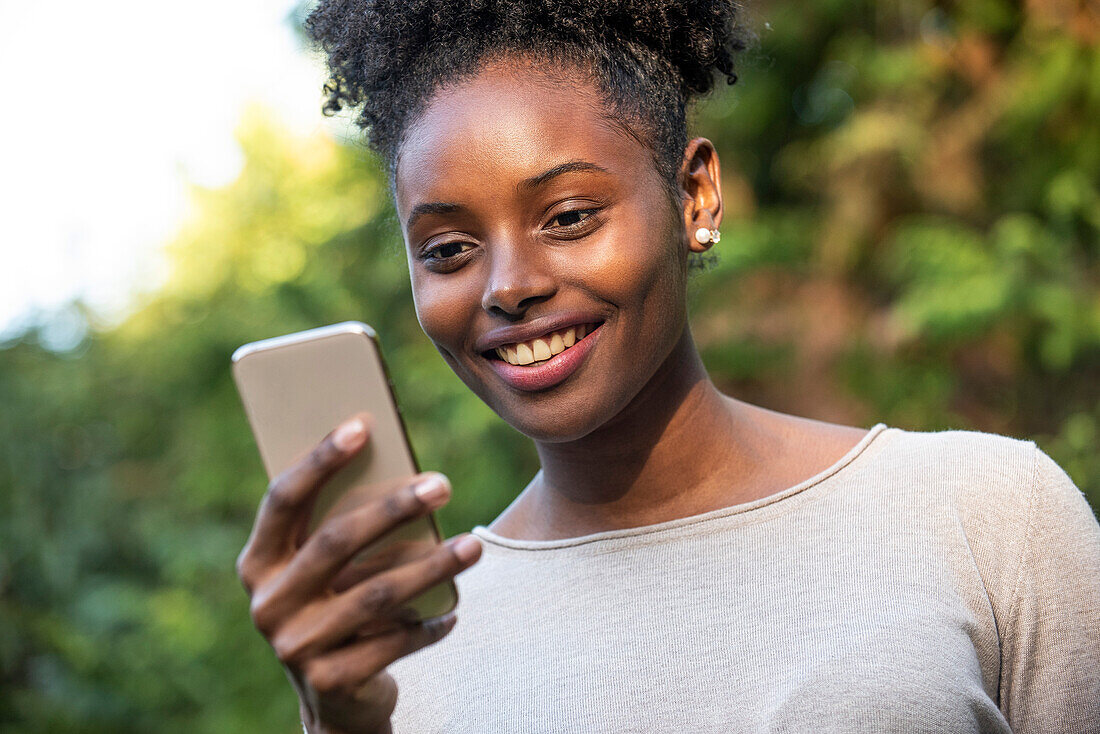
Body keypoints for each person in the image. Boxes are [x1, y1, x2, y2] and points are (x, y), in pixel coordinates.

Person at [233, 1, 1100, 732]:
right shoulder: (403, 652)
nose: (510, 287)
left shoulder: (987, 513)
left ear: (695, 197)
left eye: (569, 216)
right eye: (450, 248)